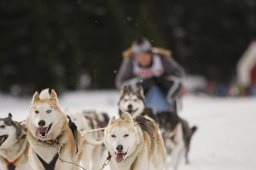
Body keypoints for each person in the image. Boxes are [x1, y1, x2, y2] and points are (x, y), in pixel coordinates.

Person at [115, 36, 185, 113]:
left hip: (163, 94)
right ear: (135, 56)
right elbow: (120, 82)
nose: (143, 58)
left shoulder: (161, 58)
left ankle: (169, 114)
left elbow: (179, 73)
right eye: (139, 55)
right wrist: (141, 83)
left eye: (145, 54)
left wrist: (164, 79)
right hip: (143, 96)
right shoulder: (130, 61)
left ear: (151, 53)